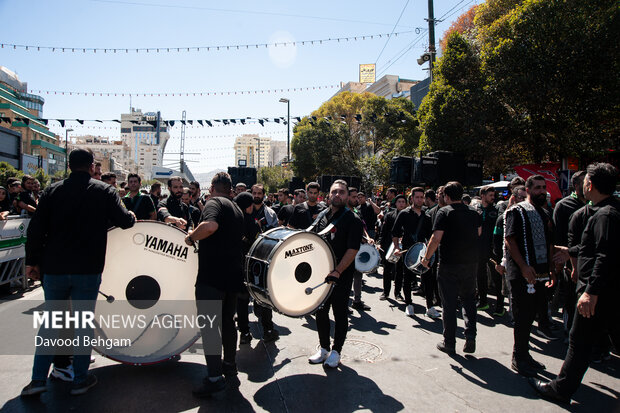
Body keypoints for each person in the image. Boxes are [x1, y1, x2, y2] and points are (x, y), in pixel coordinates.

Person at [21, 149, 135, 397]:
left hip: (55, 267)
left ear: (70, 165)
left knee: (51, 323)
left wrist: (32, 262)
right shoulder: (104, 191)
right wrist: (131, 215)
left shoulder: (52, 191)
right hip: (87, 268)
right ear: (91, 165)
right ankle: (80, 380)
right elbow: (124, 221)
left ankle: (38, 379)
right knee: (83, 325)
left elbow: (36, 230)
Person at [530, 163, 619, 404]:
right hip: (604, 291)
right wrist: (569, 250)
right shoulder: (607, 211)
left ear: (591, 184)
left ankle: (560, 389)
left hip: (597, 293)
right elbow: (593, 248)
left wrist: (590, 292)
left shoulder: (605, 215)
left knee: (578, 343)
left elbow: (604, 255)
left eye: (586, 181)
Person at [185, 172, 244, 396]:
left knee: (210, 328)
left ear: (211, 188)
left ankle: (213, 377)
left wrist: (191, 237)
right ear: (230, 188)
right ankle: (229, 366)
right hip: (232, 276)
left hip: (212, 277)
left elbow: (209, 226)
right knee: (228, 324)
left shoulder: (215, 203)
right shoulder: (236, 208)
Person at [504, 175, 557, 377]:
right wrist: (524, 266)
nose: (541, 191)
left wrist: (552, 267)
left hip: (541, 273)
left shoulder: (544, 213)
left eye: (544, 187)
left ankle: (525, 355)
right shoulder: (516, 212)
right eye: (537, 188)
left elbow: (549, 243)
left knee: (531, 316)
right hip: (521, 274)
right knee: (522, 316)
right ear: (527, 190)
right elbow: (510, 239)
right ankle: (519, 357)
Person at [421, 181, 481, 355]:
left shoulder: (444, 212)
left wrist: (426, 258)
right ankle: (470, 335)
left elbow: (436, 238)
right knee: (469, 300)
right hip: (470, 263)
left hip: (449, 264)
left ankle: (449, 342)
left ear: (446, 196)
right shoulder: (473, 212)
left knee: (449, 303)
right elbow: (478, 233)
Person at [308, 180, 363, 368]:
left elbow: (353, 249)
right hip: (321, 274)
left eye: (341, 192)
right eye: (334, 192)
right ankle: (323, 348)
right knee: (321, 313)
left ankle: (336, 351)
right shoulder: (323, 215)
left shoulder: (353, 219)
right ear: (328, 195)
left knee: (339, 314)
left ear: (347, 196)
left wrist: (338, 270)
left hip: (341, 275)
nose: (337, 195)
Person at [552, 171, 586, 335]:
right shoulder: (564, 205)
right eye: (585, 181)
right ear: (577, 185)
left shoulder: (595, 204)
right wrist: (559, 263)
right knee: (571, 298)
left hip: (590, 261)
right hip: (570, 262)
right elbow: (557, 237)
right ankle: (570, 332)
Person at [392, 188, 432, 317]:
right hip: (408, 250)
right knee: (407, 277)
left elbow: (431, 235)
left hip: (424, 251)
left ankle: (430, 306)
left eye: (422, 197)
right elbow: (395, 232)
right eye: (417, 197)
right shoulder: (404, 214)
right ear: (412, 198)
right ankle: (409, 304)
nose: (420, 199)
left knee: (427, 277)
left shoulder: (427, 216)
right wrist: (397, 247)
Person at [249, 183, 279, 341]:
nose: (256, 195)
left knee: (264, 291)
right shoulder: (245, 210)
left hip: (263, 257)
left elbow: (275, 233)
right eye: (254, 192)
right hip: (246, 255)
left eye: (259, 193)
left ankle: (268, 327)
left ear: (264, 195)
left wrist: (262, 226)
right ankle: (245, 330)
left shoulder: (270, 213)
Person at [232, 191, 263, 345]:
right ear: (249, 206)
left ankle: (243, 331)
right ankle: (250, 330)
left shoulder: (231, 219)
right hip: (248, 266)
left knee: (239, 301)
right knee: (246, 298)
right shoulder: (251, 221)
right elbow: (258, 243)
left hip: (232, 264)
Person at [474, 186, 502, 314]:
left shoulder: (497, 210)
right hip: (479, 248)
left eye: (493, 195)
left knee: (497, 276)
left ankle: (500, 305)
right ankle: (483, 301)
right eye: (490, 195)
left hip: (494, 248)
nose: (493, 197)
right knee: (481, 275)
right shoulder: (476, 209)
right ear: (483, 195)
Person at [348, 187, 373, 312]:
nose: (356, 199)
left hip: (358, 248)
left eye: (357, 197)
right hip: (346, 250)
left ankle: (357, 301)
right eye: (353, 197)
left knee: (358, 275)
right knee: (345, 278)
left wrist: (367, 237)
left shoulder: (357, 211)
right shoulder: (343, 212)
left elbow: (362, 227)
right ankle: (344, 303)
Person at [378, 194, 407, 301]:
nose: (401, 204)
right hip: (389, 245)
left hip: (402, 246)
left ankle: (398, 293)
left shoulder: (408, 215)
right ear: (396, 203)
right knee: (387, 270)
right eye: (399, 202)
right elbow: (384, 231)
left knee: (399, 270)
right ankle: (385, 292)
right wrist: (380, 242)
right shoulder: (389, 215)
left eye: (403, 202)